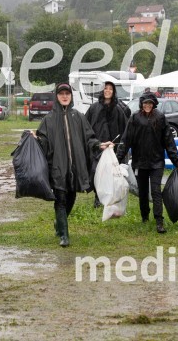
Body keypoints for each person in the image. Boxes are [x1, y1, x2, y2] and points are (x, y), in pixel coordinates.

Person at [35, 83, 112, 247]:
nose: (64, 96)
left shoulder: (78, 116)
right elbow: (43, 140)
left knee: (71, 197)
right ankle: (64, 235)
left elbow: (89, 137)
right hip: (57, 167)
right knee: (61, 198)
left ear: (71, 97)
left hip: (75, 166)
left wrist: (99, 145)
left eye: (67, 94)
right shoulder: (49, 119)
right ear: (57, 97)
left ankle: (59, 223)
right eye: (61, 94)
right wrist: (35, 139)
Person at [116, 92, 178, 234]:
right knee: (143, 192)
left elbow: (169, 140)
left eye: (150, 103)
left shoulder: (160, 118)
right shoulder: (135, 118)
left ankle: (159, 221)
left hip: (156, 162)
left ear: (154, 104)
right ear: (141, 104)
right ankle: (145, 216)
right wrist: (117, 159)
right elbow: (126, 140)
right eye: (145, 103)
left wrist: (176, 160)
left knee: (156, 191)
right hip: (139, 163)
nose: (147, 106)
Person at [85, 80, 129, 208]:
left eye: (110, 89)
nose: (107, 91)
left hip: (112, 147)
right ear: (102, 90)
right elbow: (86, 125)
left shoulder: (118, 109)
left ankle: (108, 197)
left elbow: (124, 128)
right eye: (105, 88)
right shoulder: (94, 108)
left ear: (113, 92)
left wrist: (120, 144)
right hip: (98, 146)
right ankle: (97, 197)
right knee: (96, 171)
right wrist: (93, 142)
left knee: (110, 174)